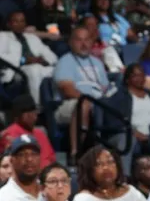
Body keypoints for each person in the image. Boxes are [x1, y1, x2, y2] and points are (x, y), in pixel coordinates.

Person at [53, 25, 110, 157]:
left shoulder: (97, 62)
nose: (84, 44)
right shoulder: (65, 61)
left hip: (98, 102)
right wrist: (91, 101)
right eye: (79, 40)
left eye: (87, 40)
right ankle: (76, 152)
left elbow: (105, 87)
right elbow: (67, 90)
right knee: (83, 104)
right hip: (69, 104)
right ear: (71, 42)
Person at [0, 9, 58, 106]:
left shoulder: (32, 38)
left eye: (22, 21)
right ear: (8, 24)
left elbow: (51, 55)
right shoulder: (2, 37)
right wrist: (23, 60)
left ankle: (54, 105)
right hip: (15, 72)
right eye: (16, 21)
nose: (20, 24)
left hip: (39, 67)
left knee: (57, 71)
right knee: (33, 70)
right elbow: (1, 57)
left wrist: (44, 61)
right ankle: (35, 107)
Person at [0, 95, 55, 168]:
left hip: (48, 174)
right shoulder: (9, 134)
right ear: (17, 115)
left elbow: (52, 158)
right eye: (26, 112)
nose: (31, 115)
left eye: (33, 110)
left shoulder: (40, 133)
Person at [0, 136, 43, 201]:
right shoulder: (3, 199)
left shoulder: (51, 191)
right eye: (22, 154)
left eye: (34, 154)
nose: (29, 159)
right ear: (12, 160)